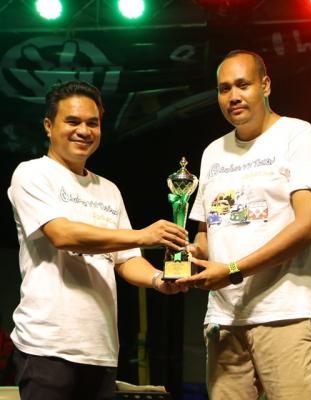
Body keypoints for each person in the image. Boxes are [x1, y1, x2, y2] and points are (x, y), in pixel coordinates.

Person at [7, 80, 189, 400]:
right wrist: (143, 234)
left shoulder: (108, 189)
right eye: (72, 121)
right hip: (47, 347)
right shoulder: (32, 173)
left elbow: (127, 260)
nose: (84, 131)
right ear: (49, 126)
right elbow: (62, 235)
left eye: (93, 123)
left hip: (101, 351)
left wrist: (159, 279)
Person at [177, 50, 311, 400]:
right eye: (224, 88)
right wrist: (189, 256)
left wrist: (233, 270)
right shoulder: (213, 152)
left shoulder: (297, 135)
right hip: (224, 319)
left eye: (243, 85)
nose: (233, 96)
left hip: (286, 314)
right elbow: (207, 233)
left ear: (265, 86)